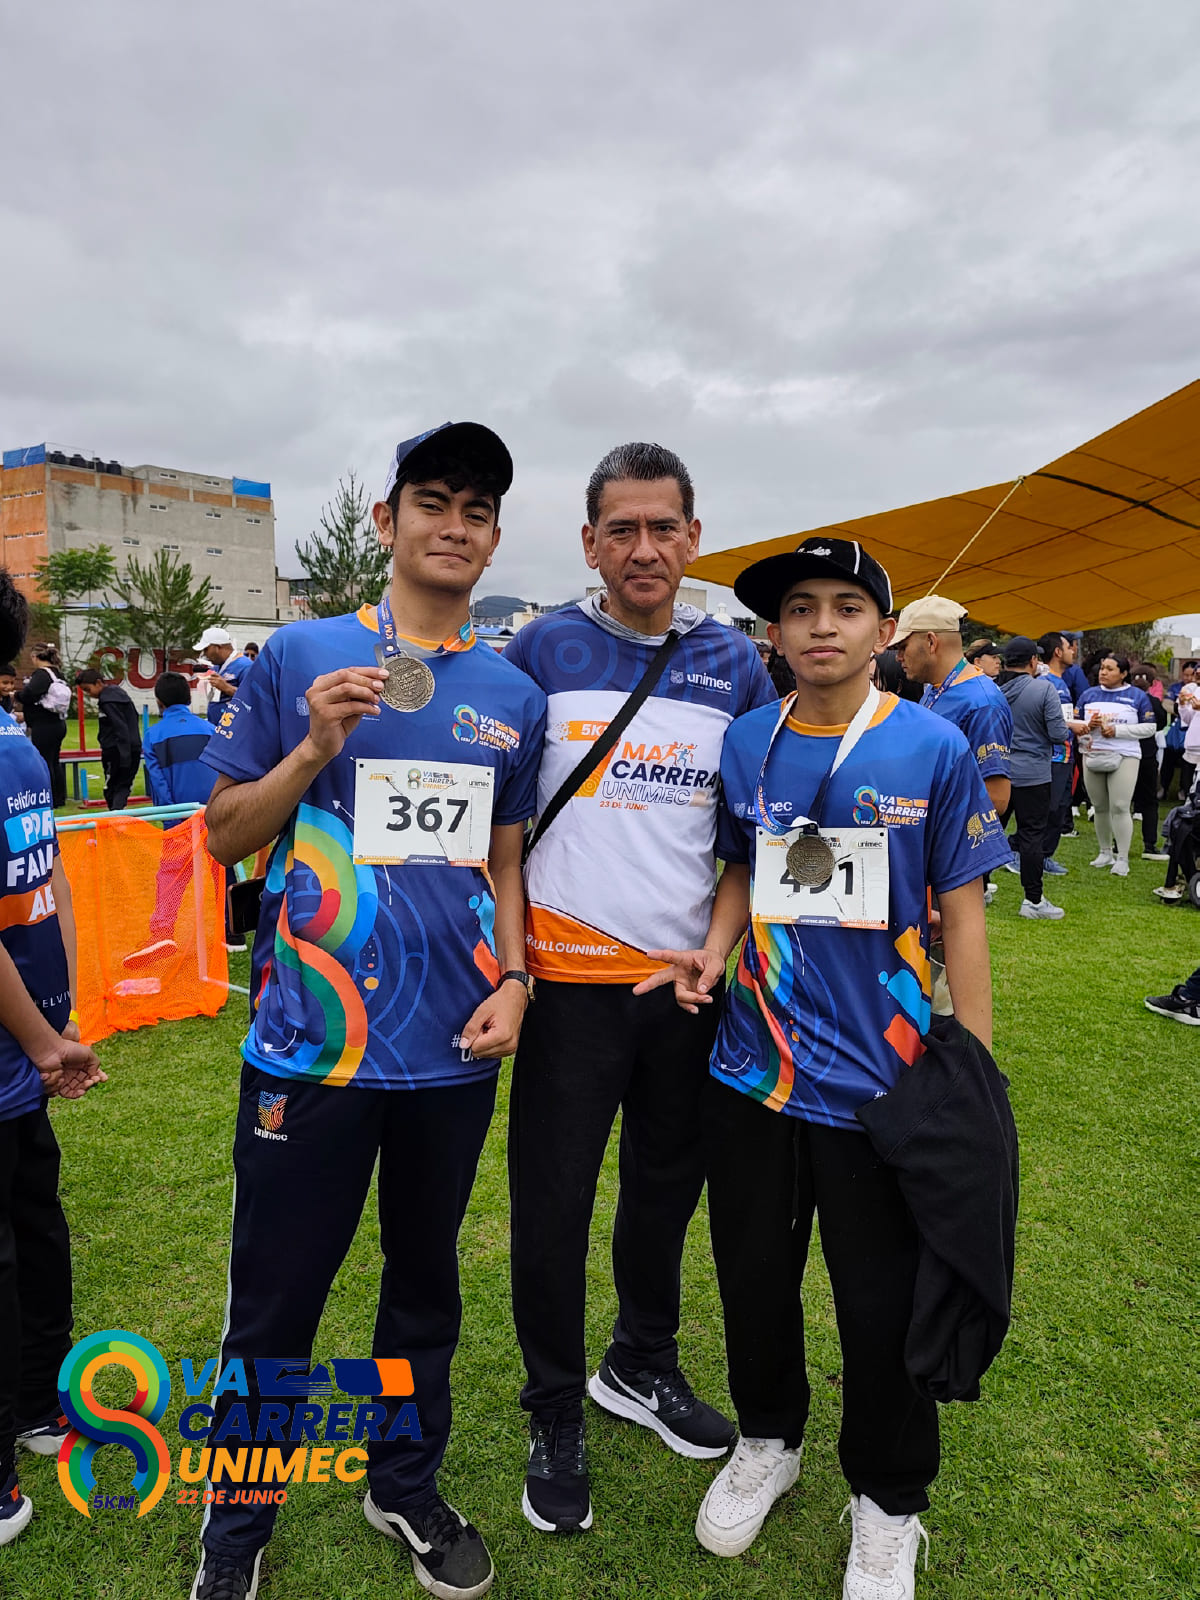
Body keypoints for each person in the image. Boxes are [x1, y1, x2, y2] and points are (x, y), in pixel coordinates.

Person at [190, 422, 544, 1600]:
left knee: (423, 1291)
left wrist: (515, 979)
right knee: (276, 1301)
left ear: (494, 537)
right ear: (387, 520)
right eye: (433, 501)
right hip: (313, 1053)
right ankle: (237, 1523)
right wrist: (311, 750)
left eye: (477, 510)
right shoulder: (302, 654)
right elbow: (222, 835)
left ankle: (402, 1482)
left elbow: (504, 862)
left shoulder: (513, 692)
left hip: (452, 1053)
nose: (456, 525)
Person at [637, 537, 1011, 1600]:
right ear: (775, 632)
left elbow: (964, 915)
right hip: (753, 1073)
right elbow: (741, 869)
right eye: (800, 608)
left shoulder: (932, 746)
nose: (821, 625)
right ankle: (769, 1438)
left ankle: (887, 1500)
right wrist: (713, 951)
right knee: (754, 1276)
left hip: (886, 1088)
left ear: (885, 632)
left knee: (881, 1303)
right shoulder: (747, 738)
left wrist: (972, 1069)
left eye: (846, 606)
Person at [502, 442, 774, 1535]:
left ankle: (639, 1362)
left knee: (664, 1193)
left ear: (694, 538)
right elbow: (500, 821)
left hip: (683, 989)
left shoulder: (736, 664)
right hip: (564, 988)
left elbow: (750, 836)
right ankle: (554, 1407)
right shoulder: (540, 647)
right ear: (589, 543)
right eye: (623, 529)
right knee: (553, 1208)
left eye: (664, 527)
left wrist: (716, 948)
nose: (645, 548)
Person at [0, 570, 106, 1549]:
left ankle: (26, 1423)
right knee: (34, 1229)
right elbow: (51, 888)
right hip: (29, 1043)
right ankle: (37, 1406)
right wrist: (58, 1024)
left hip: (18, 1052)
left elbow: (48, 884)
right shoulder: (20, 746)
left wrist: (47, 1037)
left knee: (27, 1236)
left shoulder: (14, 750)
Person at [893, 597, 1010, 918]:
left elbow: (997, 798)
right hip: (920, 851)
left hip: (946, 858)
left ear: (931, 642)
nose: (898, 656)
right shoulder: (936, 689)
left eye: (903, 646)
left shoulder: (982, 702)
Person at [122, 672, 220, 970]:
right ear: (189, 699)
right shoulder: (210, 728)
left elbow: (158, 782)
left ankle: (162, 933)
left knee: (170, 876)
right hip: (214, 814)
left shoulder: (153, 735)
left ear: (159, 701)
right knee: (222, 871)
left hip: (179, 817)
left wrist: (171, 819)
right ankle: (232, 931)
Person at [997, 638, 1069, 917]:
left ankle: (981, 888)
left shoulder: (992, 690)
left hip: (998, 771)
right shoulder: (1044, 688)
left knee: (989, 833)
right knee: (1032, 836)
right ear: (1032, 661)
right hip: (1033, 774)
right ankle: (1033, 900)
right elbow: (1058, 734)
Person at [1067, 655, 1157, 878]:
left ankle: (1122, 857)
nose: (1103, 672)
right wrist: (1088, 725)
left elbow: (1149, 728)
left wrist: (1118, 731)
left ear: (1123, 673)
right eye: (1102, 668)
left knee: (1120, 805)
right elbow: (1075, 723)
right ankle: (1104, 852)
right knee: (1099, 806)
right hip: (1093, 754)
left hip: (1125, 755)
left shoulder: (1137, 696)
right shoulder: (1088, 695)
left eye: (1110, 669)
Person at [1036, 632, 1081, 871]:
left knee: (1060, 807)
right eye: (1068, 647)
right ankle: (1026, 853)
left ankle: (1045, 856)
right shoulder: (1046, 683)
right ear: (1057, 652)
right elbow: (1045, 720)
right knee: (1049, 809)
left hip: (1066, 754)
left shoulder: (1061, 682)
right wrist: (1076, 725)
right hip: (1051, 755)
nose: (1072, 651)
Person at [75, 669, 142, 810]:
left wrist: (124, 755)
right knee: (123, 785)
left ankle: (114, 814)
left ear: (98, 683)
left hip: (116, 751)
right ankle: (117, 814)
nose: (88, 694)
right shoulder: (121, 696)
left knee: (111, 788)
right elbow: (133, 718)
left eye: (88, 689)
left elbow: (120, 727)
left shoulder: (107, 702)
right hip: (132, 747)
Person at [16, 646, 69, 808]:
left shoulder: (41, 674)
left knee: (44, 761)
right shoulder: (58, 673)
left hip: (44, 725)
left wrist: (17, 695)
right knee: (54, 760)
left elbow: (30, 694)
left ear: (35, 657)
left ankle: (49, 797)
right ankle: (59, 797)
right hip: (58, 723)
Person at [1129, 665, 1168, 859]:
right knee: (1150, 801)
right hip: (1146, 753)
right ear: (1152, 683)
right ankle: (1149, 844)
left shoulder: (1126, 700)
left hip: (1127, 752)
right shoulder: (1153, 702)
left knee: (1122, 801)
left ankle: (1119, 843)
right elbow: (1161, 722)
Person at [195, 628, 253, 726]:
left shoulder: (245, 666)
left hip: (235, 728)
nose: (204, 654)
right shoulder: (217, 666)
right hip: (216, 725)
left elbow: (252, 698)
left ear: (217, 647)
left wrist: (227, 688)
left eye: (206, 649)